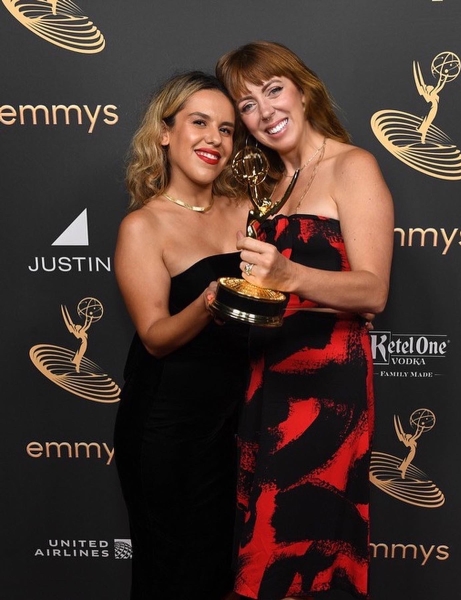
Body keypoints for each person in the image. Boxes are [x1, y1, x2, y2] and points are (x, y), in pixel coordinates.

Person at [216, 41, 394, 600]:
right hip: (265, 385)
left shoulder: (353, 166)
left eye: (273, 90)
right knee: (259, 553)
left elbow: (373, 292)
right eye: (247, 105)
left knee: (306, 547)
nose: (265, 112)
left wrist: (289, 275)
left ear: (303, 88)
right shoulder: (267, 186)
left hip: (326, 398)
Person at [113, 71, 250, 600]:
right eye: (199, 123)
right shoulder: (143, 227)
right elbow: (155, 336)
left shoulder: (247, 212)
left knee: (224, 573)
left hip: (237, 425)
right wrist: (211, 299)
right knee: (173, 574)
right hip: (167, 431)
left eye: (227, 129)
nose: (214, 139)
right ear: (165, 133)